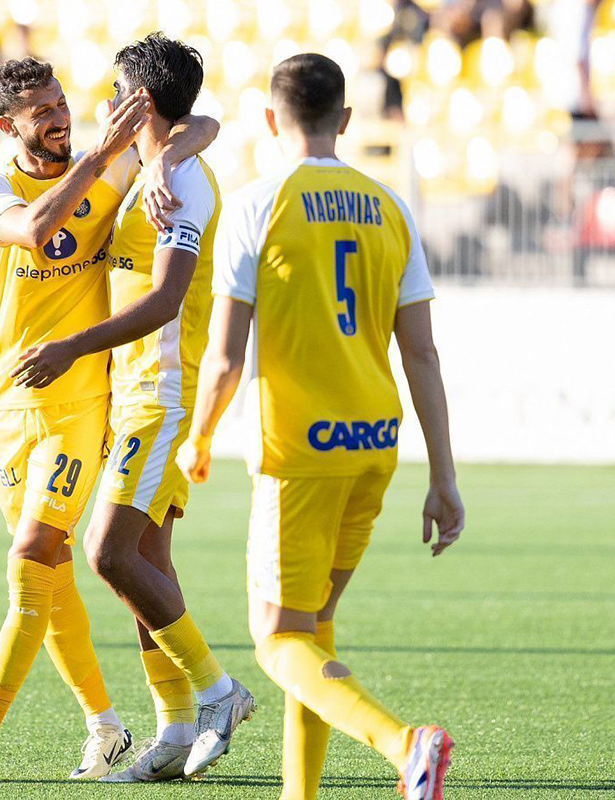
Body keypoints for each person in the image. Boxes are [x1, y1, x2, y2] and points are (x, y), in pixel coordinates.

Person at [0, 56, 219, 781]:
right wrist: (106, 156)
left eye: (61, 104)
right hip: (8, 398)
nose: (60, 119)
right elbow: (35, 227)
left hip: (82, 399)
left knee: (36, 552)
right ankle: (106, 726)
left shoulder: (113, 166)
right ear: (7, 126)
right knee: (46, 573)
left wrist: (159, 155)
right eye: (42, 113)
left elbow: (198, 122)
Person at [175, 54, 465, 800]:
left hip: (299, 451)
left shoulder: (257, 204)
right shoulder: (391, 207)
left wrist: (199, 435)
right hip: (373, 447)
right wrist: (444, 477)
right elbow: (423, 354)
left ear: (271, 120)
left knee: (277, 639)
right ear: (345, 118)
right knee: (311, 628)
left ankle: (406, 745)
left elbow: (225, 356)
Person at [10, 33, 255, 782]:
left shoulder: (182, 182)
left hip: (161, 393)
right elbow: (202, 121)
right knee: (147, 562)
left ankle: (218, 692)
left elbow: (166, 299)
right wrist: (168, 150)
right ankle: (174, 730)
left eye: (116, 91)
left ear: (139, 101)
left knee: (107, 554)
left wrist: (72, 346)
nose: (104, 102)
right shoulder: (153, 165)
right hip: (135, 393)